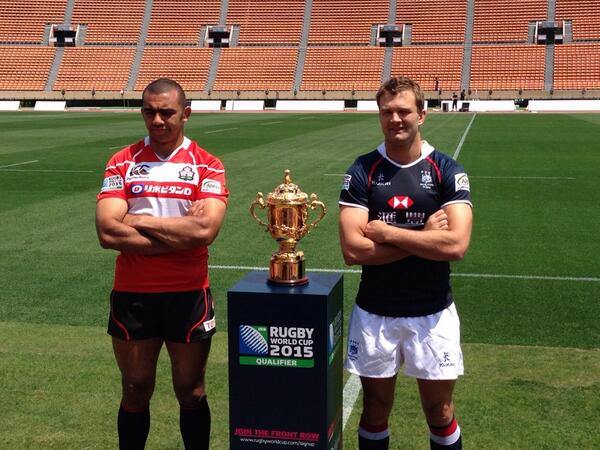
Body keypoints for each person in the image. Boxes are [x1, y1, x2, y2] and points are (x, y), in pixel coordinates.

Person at [338, 76, 472, 450]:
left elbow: (457, 244)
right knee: (375, 409)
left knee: (440, 411)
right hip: (376, 312)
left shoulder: (448, 170)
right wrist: (426, 237)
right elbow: (352, 250)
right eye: (386, 112)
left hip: (432, 312)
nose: (395, 119)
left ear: (422, 115)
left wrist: (388, 233)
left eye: (403, 111)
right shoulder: (362, 171)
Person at [95, 78, 228, 450]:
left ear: (185, 114)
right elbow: (107, 231)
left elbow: (204, 231)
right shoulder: (123, 161)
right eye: (149, 111)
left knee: (192, 391)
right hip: (133, 294)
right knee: (135, 389)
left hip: (189, 295)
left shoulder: (207, 165)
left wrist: (138, 220)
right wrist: (178, 237)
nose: (157, 120)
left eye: (166, 112)